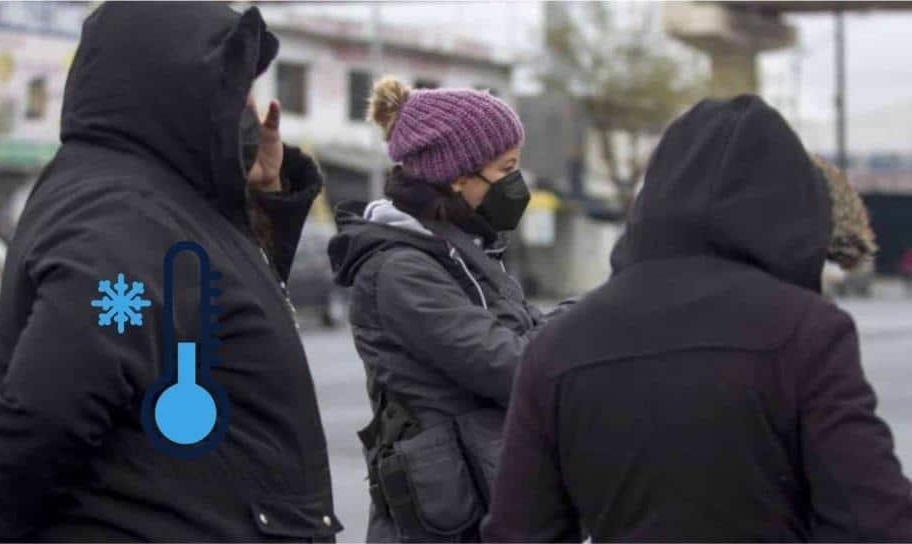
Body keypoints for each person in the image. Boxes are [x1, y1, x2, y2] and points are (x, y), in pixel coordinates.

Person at [0, 3, 341, 540]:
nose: (249, 109)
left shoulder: (160, 198)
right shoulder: (121, 216)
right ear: (172, 85)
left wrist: (260, 202)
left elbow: (216, 319)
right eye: (234, 87)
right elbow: (46, 419)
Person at [483, 95, 912, 542]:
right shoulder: (807, 332)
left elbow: (518, 532)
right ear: (794, 210)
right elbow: (874, 524)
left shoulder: (558, 345)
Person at [328, 77, 570, 543]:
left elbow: (530, 329)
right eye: (507, 167)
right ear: (459, 177)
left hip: (481, 498)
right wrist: (597, 322)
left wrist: (591, 315)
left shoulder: (464, 251)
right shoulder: (400, 271)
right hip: (441, 523)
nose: (518, 183)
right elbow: (509, 364)